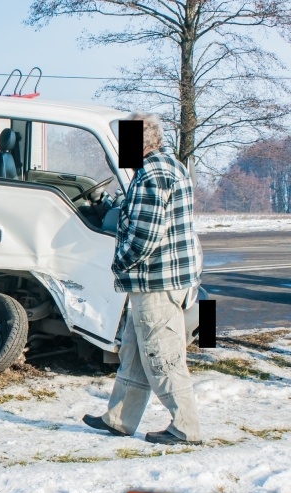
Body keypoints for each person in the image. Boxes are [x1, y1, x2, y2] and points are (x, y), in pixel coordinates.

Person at [83, 112, 203, 445]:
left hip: (156, 281)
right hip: (161, 279)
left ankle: (186, 427)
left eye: (125, 141)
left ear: (141, 141)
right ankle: (119, 419)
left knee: (163, 356)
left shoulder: (151, 173)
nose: (122, 149)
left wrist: (119, 263)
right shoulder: (168, 165)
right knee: (136, 353)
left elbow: (144, 237)